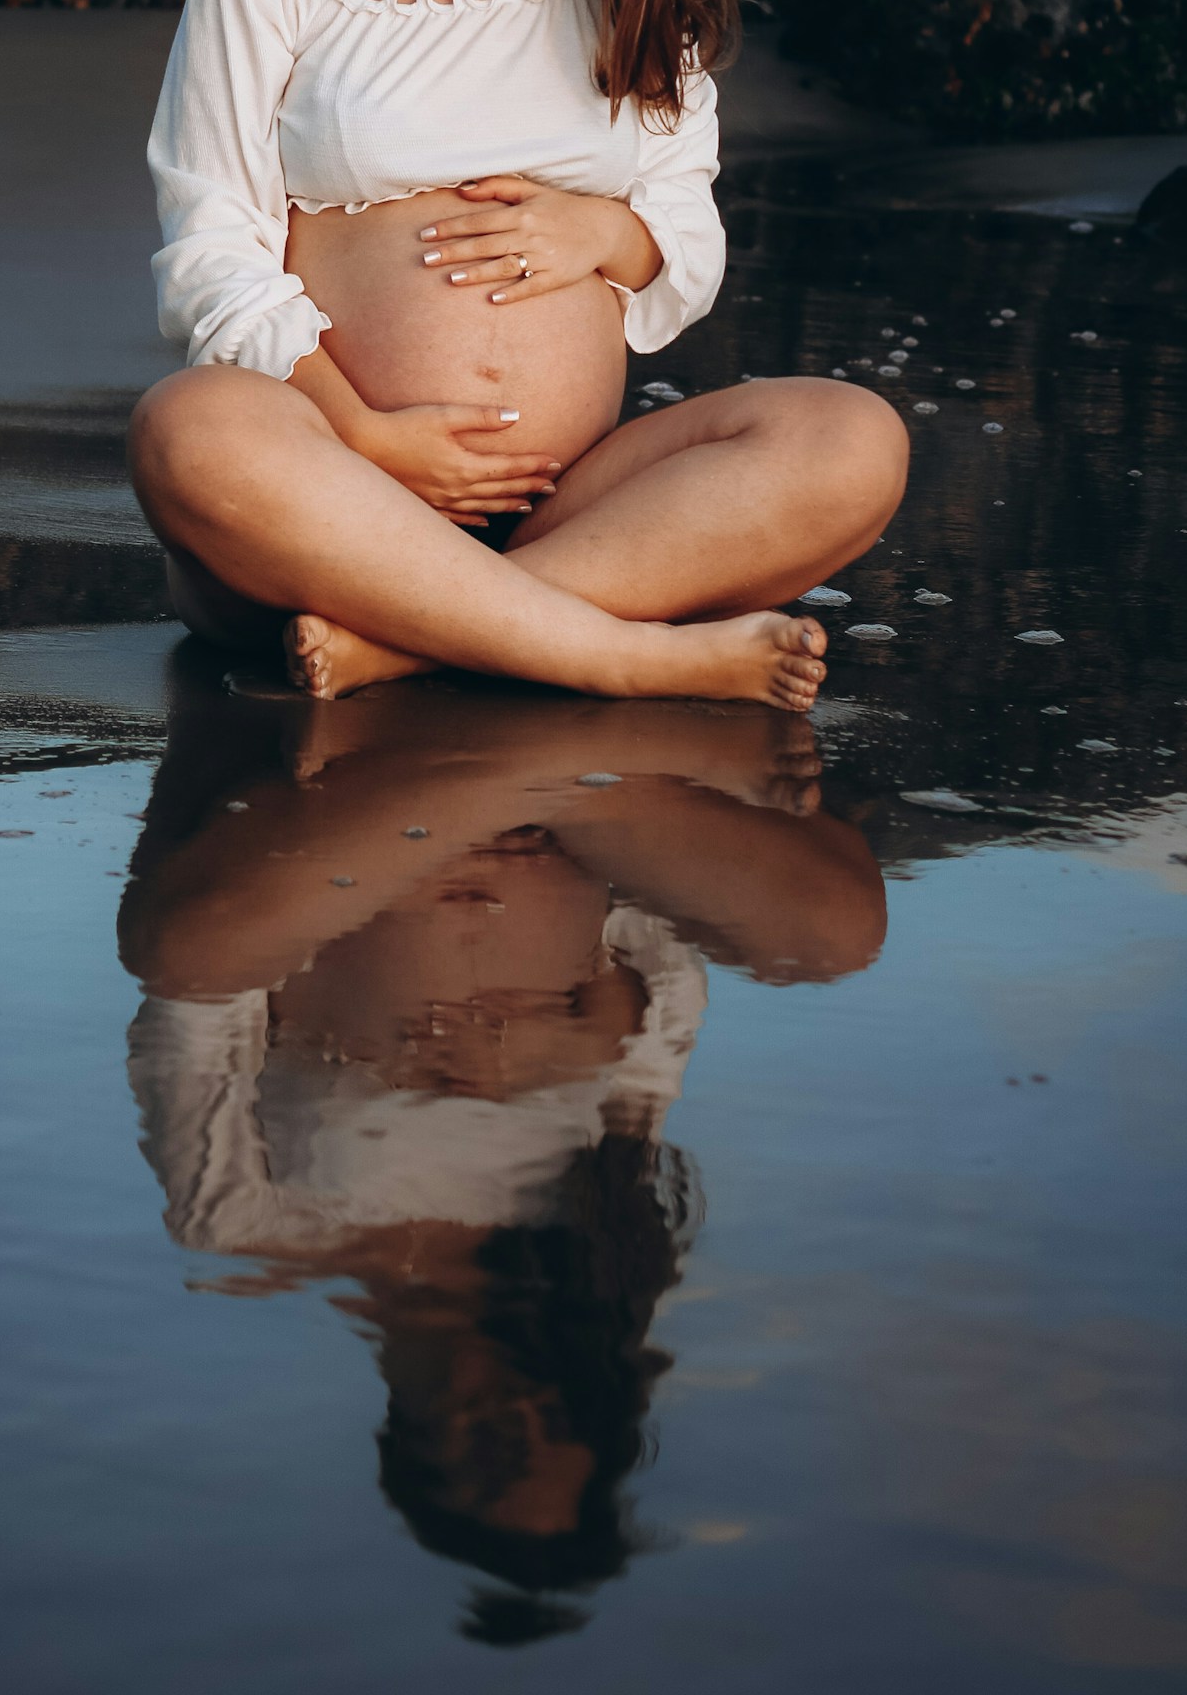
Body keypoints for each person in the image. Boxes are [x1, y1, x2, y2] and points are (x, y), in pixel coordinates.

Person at [131, 0, 907, 703]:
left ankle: (410, 640)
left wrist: (606, 230)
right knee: (185, 428)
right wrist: (367, 437)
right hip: (333, 488)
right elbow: (213, 242)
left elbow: (686, 232)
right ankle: (620, 653)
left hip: (572, 503)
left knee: (853, 440)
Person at [120, 652, 886, 1626]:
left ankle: (459, 701)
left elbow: (188, 984)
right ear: (590, 1409)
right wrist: (582, 1022)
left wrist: (370, 879)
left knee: (181, 946)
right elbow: (668, 966)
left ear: (408, 1447)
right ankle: (520, 714)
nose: (512, 1425)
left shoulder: (249, 1227)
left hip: (352, 792)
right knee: (837, 934)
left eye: (483, 1466)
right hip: (561, 805)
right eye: (551, 1433)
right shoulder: (600, 1242)